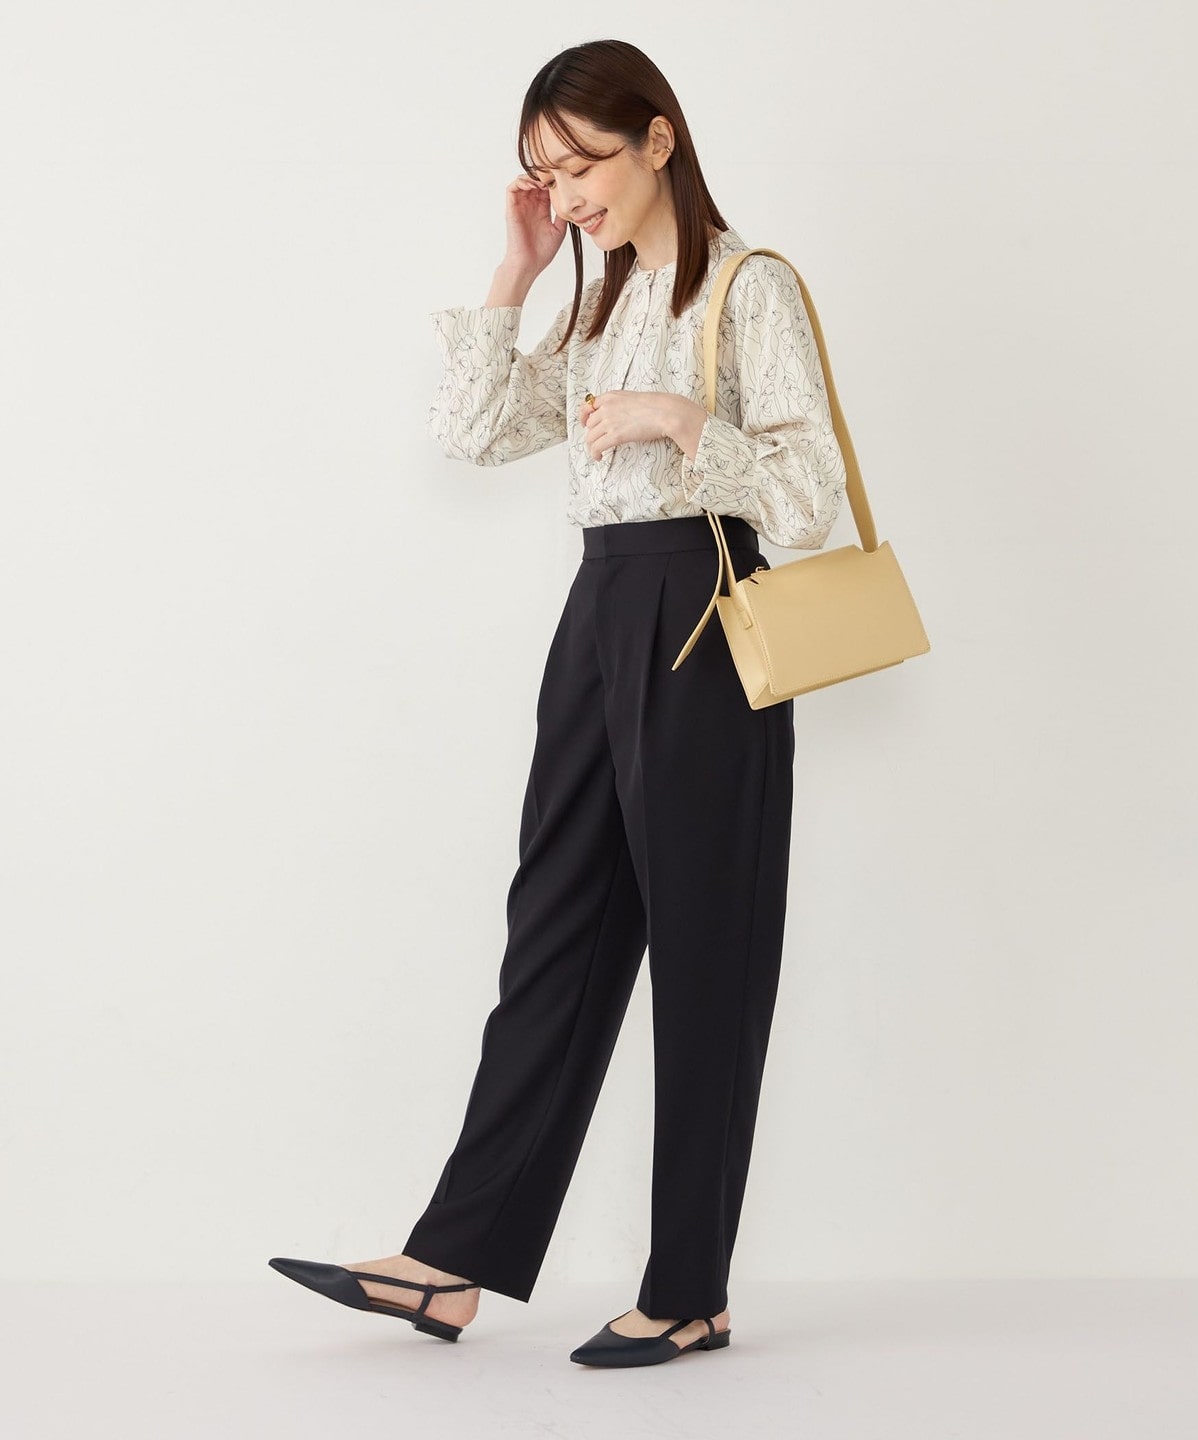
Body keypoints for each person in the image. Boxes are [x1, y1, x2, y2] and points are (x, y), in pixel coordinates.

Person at [270, 38, 847, 1370]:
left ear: (659, 140)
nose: (567, 192)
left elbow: (810, 496)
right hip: (599, 612)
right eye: (545, 171)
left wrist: (679, 421)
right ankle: (452, 1262)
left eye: (581, 166)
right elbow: (474, 434)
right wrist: (518, 272)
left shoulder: (748, 286)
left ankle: (689, 1290)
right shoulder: (597, 296)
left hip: (704, 608)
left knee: (705, 947)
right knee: (556, 927)